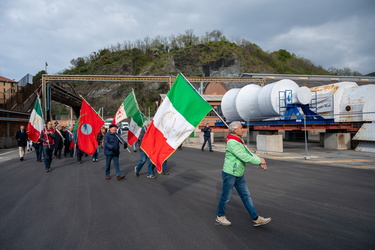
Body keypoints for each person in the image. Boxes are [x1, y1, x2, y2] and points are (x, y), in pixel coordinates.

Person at [216, 121, 271, 227]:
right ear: (235, 130)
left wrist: (260, 160)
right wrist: (259, 161)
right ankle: (220, 215)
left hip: (239, 173)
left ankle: (255, 218)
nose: (243, 129)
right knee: (226, 196)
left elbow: (248, 153)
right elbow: (243, 156)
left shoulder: (238, 140)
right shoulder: (232, 142)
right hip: (230, 173)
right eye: (241, 128)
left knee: (246, 195)